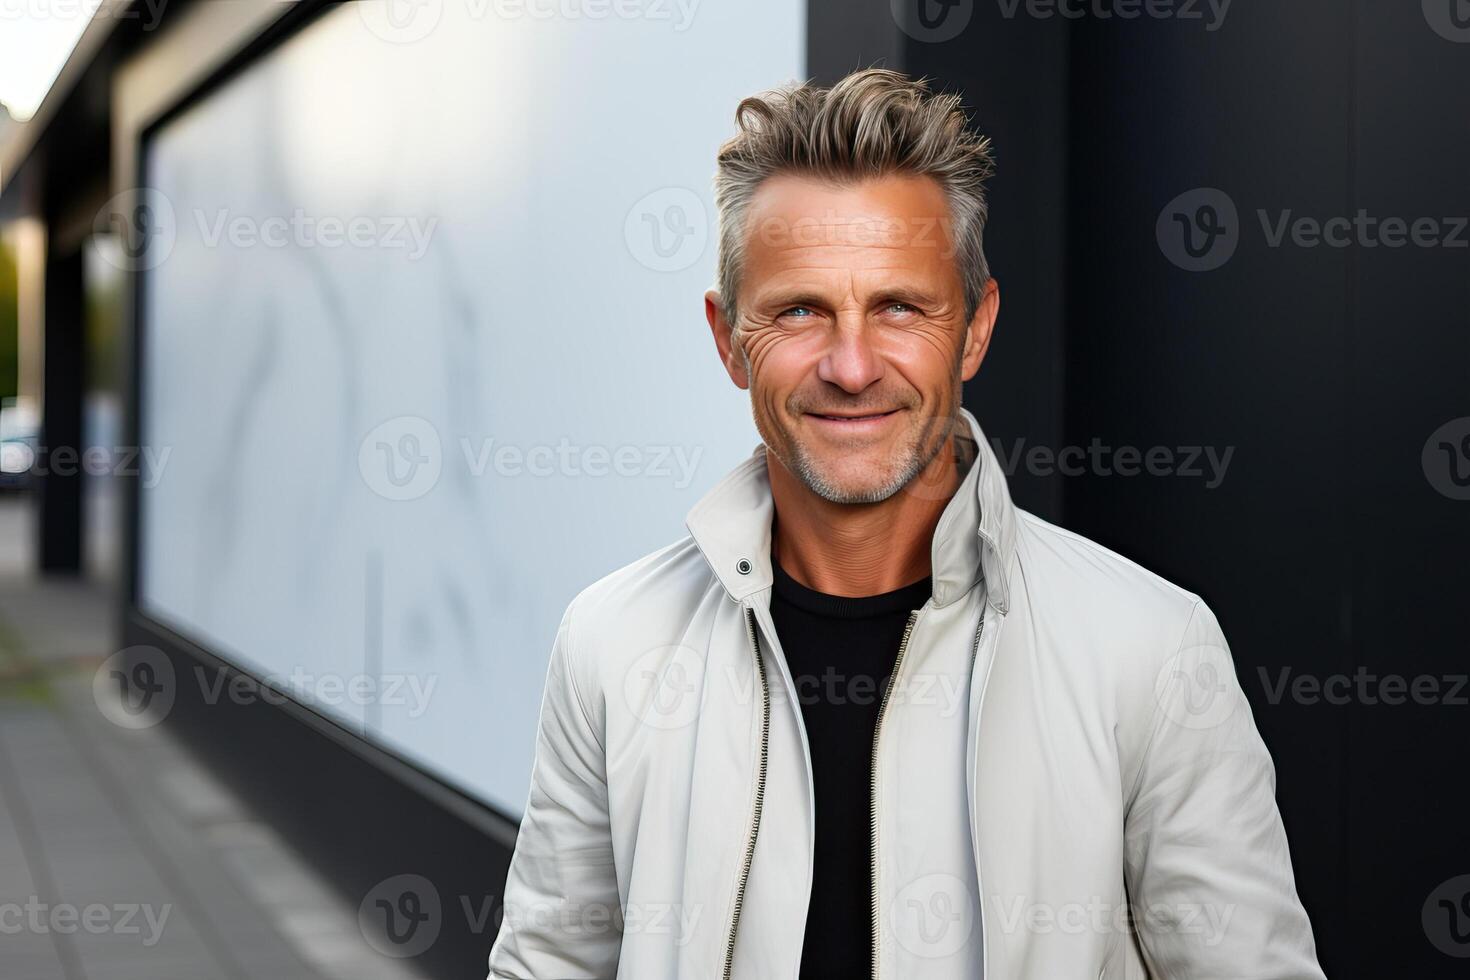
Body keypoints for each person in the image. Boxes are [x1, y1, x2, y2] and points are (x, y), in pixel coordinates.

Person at [487, 68, 1324, 979]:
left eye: (899, 307)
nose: (851, 366)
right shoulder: (611, 644)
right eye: (800, 309)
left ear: (974, 329)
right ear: (728, 339)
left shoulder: (1152, 652)